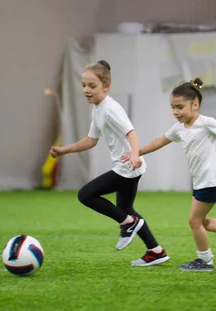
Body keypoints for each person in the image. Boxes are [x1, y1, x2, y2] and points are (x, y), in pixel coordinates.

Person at [125, 78, 216, 272]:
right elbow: (159, 141)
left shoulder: (206, 123)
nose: (175, 112)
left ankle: (205, 260)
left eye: (180, 107)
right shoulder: (179, 128)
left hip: (210, 181)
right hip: (201, 182)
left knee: (194, 221)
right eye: (172, 107)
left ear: (195, 104)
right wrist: (138, 152)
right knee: (201, 222)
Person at [50, 60, 169, 267]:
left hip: (127, 168)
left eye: (92, 86)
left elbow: (131, 132)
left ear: (106, 87)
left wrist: (134, 154)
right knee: (127, 210)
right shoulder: (98, 109)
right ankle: (155, 251)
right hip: (130, 167)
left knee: (86, 195)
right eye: (84, 85)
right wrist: (64, 150)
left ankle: (128, 224)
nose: (86, 90)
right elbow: (91, 140)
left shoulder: (110, 109)